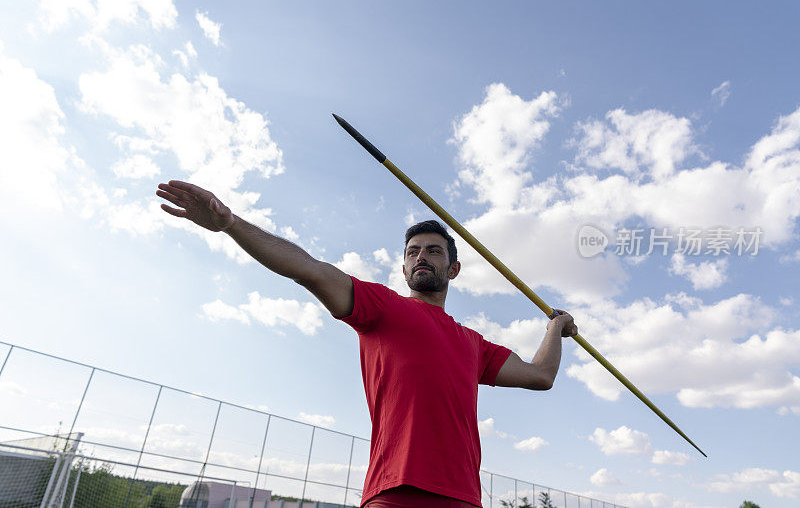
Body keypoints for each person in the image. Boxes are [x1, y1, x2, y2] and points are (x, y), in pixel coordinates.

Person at [156, 180, 578, 508]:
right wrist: (231, 224)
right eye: (413, 252)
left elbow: (540, 375)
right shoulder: (384, 307)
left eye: (433, 251)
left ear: (453, 269)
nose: (422, 257)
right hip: (393, 489)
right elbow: (310, 270)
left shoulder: (474, 344)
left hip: (462, 496)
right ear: (404, 265)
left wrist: (554, 329)